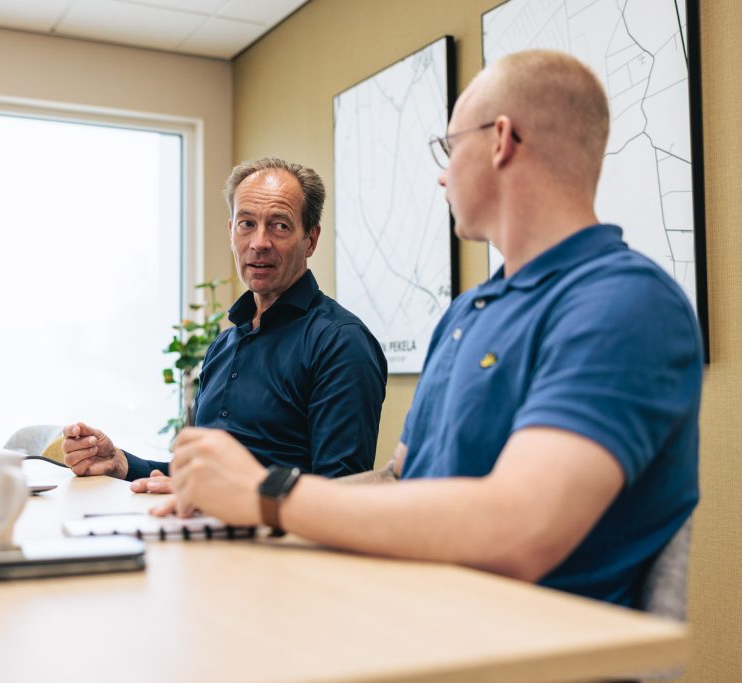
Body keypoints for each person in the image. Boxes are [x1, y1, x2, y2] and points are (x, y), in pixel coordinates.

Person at [162, 50, 703, 607]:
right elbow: (401, 479)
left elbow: (522, 529)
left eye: (450, 146)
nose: (443, 173)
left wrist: (269, 494)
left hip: (528, 644)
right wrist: (230, 508)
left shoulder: (622, 303)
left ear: (501, 141)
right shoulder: (471, 311)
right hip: (419, 608)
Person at [63, 158, 388, 492]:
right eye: (247, 223)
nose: (259, 242)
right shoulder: (223, 345)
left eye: (280, 225)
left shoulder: (341, 343)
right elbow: (200, 476)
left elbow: (342, 494)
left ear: (311, 239)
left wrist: (225, 495)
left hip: (278, 545)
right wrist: (121, 463)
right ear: (231, 231)